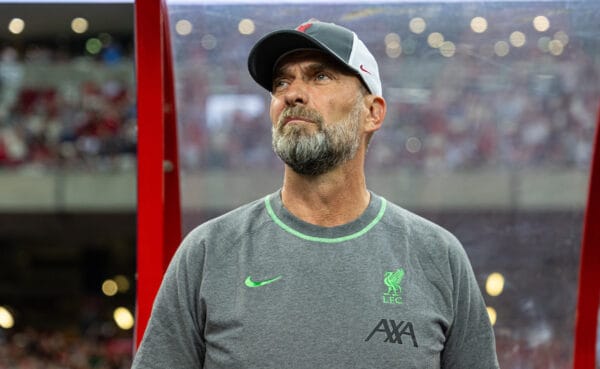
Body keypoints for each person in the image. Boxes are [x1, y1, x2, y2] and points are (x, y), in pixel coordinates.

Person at [132, 20, 500, 369]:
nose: (291, 94)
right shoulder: (208, 252)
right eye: (280, 82)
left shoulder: (437, 256)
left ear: (372, 112)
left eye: (320, 76)